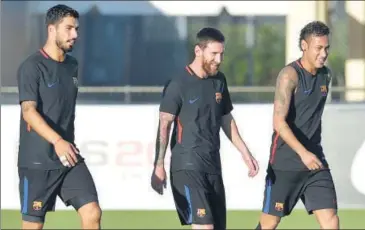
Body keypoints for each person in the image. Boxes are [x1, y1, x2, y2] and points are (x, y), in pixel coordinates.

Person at [150, 27, 260, 230]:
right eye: (214, 54)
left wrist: (245, 153)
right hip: (187, 166)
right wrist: (159, 165)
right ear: (198, 51)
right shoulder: (178, 83)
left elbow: (226, 119)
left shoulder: (219, 81)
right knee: (205, 226)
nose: (219, 59)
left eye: (222, 54)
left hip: (213, 167)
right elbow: (164, 125)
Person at [16, 4, 101, 229]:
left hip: (67, 158)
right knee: (33, 226)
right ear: (51, 30)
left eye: (77, 29)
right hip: (36, 161)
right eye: (69, 28)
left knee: (92, 212)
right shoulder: (31, 67)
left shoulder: (72, 65)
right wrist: (57, 141)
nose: (75, 34)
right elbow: (28, 112)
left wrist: (64, 144)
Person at [256, 21, 339, 229]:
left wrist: (310, 153)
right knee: (269, 224)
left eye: (326, 48)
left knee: (331, 221)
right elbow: (278, 122)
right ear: (304, 45)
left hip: (315, 163)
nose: (324, 53)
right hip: (285, 164)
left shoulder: (325, 75)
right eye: (318, 48)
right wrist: (303, 153)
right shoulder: (289, 75)